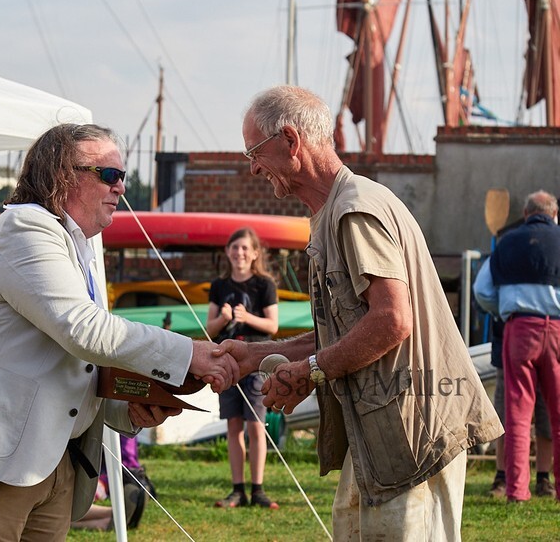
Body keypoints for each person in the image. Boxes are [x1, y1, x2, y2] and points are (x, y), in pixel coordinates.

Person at [0, 123, 239, 541]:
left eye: (124, 177)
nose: (121, 188)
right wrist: (188, 354)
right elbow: (82, 330)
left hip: (48, 457)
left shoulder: (74, 244)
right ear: (62, 174)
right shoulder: (25, 228)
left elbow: (78, 364)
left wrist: (129, 409)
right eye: (110, 175)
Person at [214, 85, 502, 539]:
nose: (252, 167)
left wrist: (308, 371)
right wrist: (255, 355)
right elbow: (350, 328)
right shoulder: (339, 208)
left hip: (412, 434)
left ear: (291, 141)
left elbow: (391, 321)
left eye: (255, 151)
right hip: (385, 429)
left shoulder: (354, 210)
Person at [472, 190, 560, 502]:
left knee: (517, 414)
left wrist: (504, 312)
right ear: (554, 215)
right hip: (558, 332)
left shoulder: (507, 242)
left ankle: (516, 490)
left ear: (525, 213)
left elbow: (482, 291)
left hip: (519, 329)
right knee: (557, 412)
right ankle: (553, 485)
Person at [206, 228, 280, 509]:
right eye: (235, 247)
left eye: (245, 248)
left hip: (257, 363)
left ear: (255, 254)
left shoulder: (264, 285)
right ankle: (237, 489)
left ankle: (258, 489)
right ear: (227, 252)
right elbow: (208, 329)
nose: (240, 253)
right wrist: (222, 320)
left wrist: (248, 317)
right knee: (233, 425)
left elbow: (272, 326)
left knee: (256, 425)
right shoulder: (219, 285)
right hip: (228, 363)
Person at [472, 315, 554, 498]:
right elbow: (483, 297)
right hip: (506, 349)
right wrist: (503, 313)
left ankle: (543, 478)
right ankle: (502, 477)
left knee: (546, 418)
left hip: (546, 345)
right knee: (506, 418)